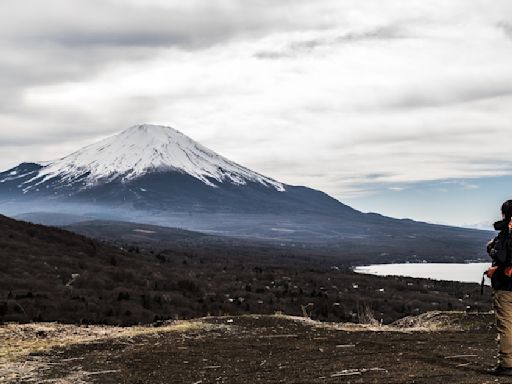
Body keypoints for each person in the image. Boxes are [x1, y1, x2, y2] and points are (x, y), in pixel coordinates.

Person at [488, 200, 512, 376]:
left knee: (506, 325)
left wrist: (496, 268)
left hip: (506, 287)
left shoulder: (506, 234)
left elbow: (502, 256)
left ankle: (507, 364)